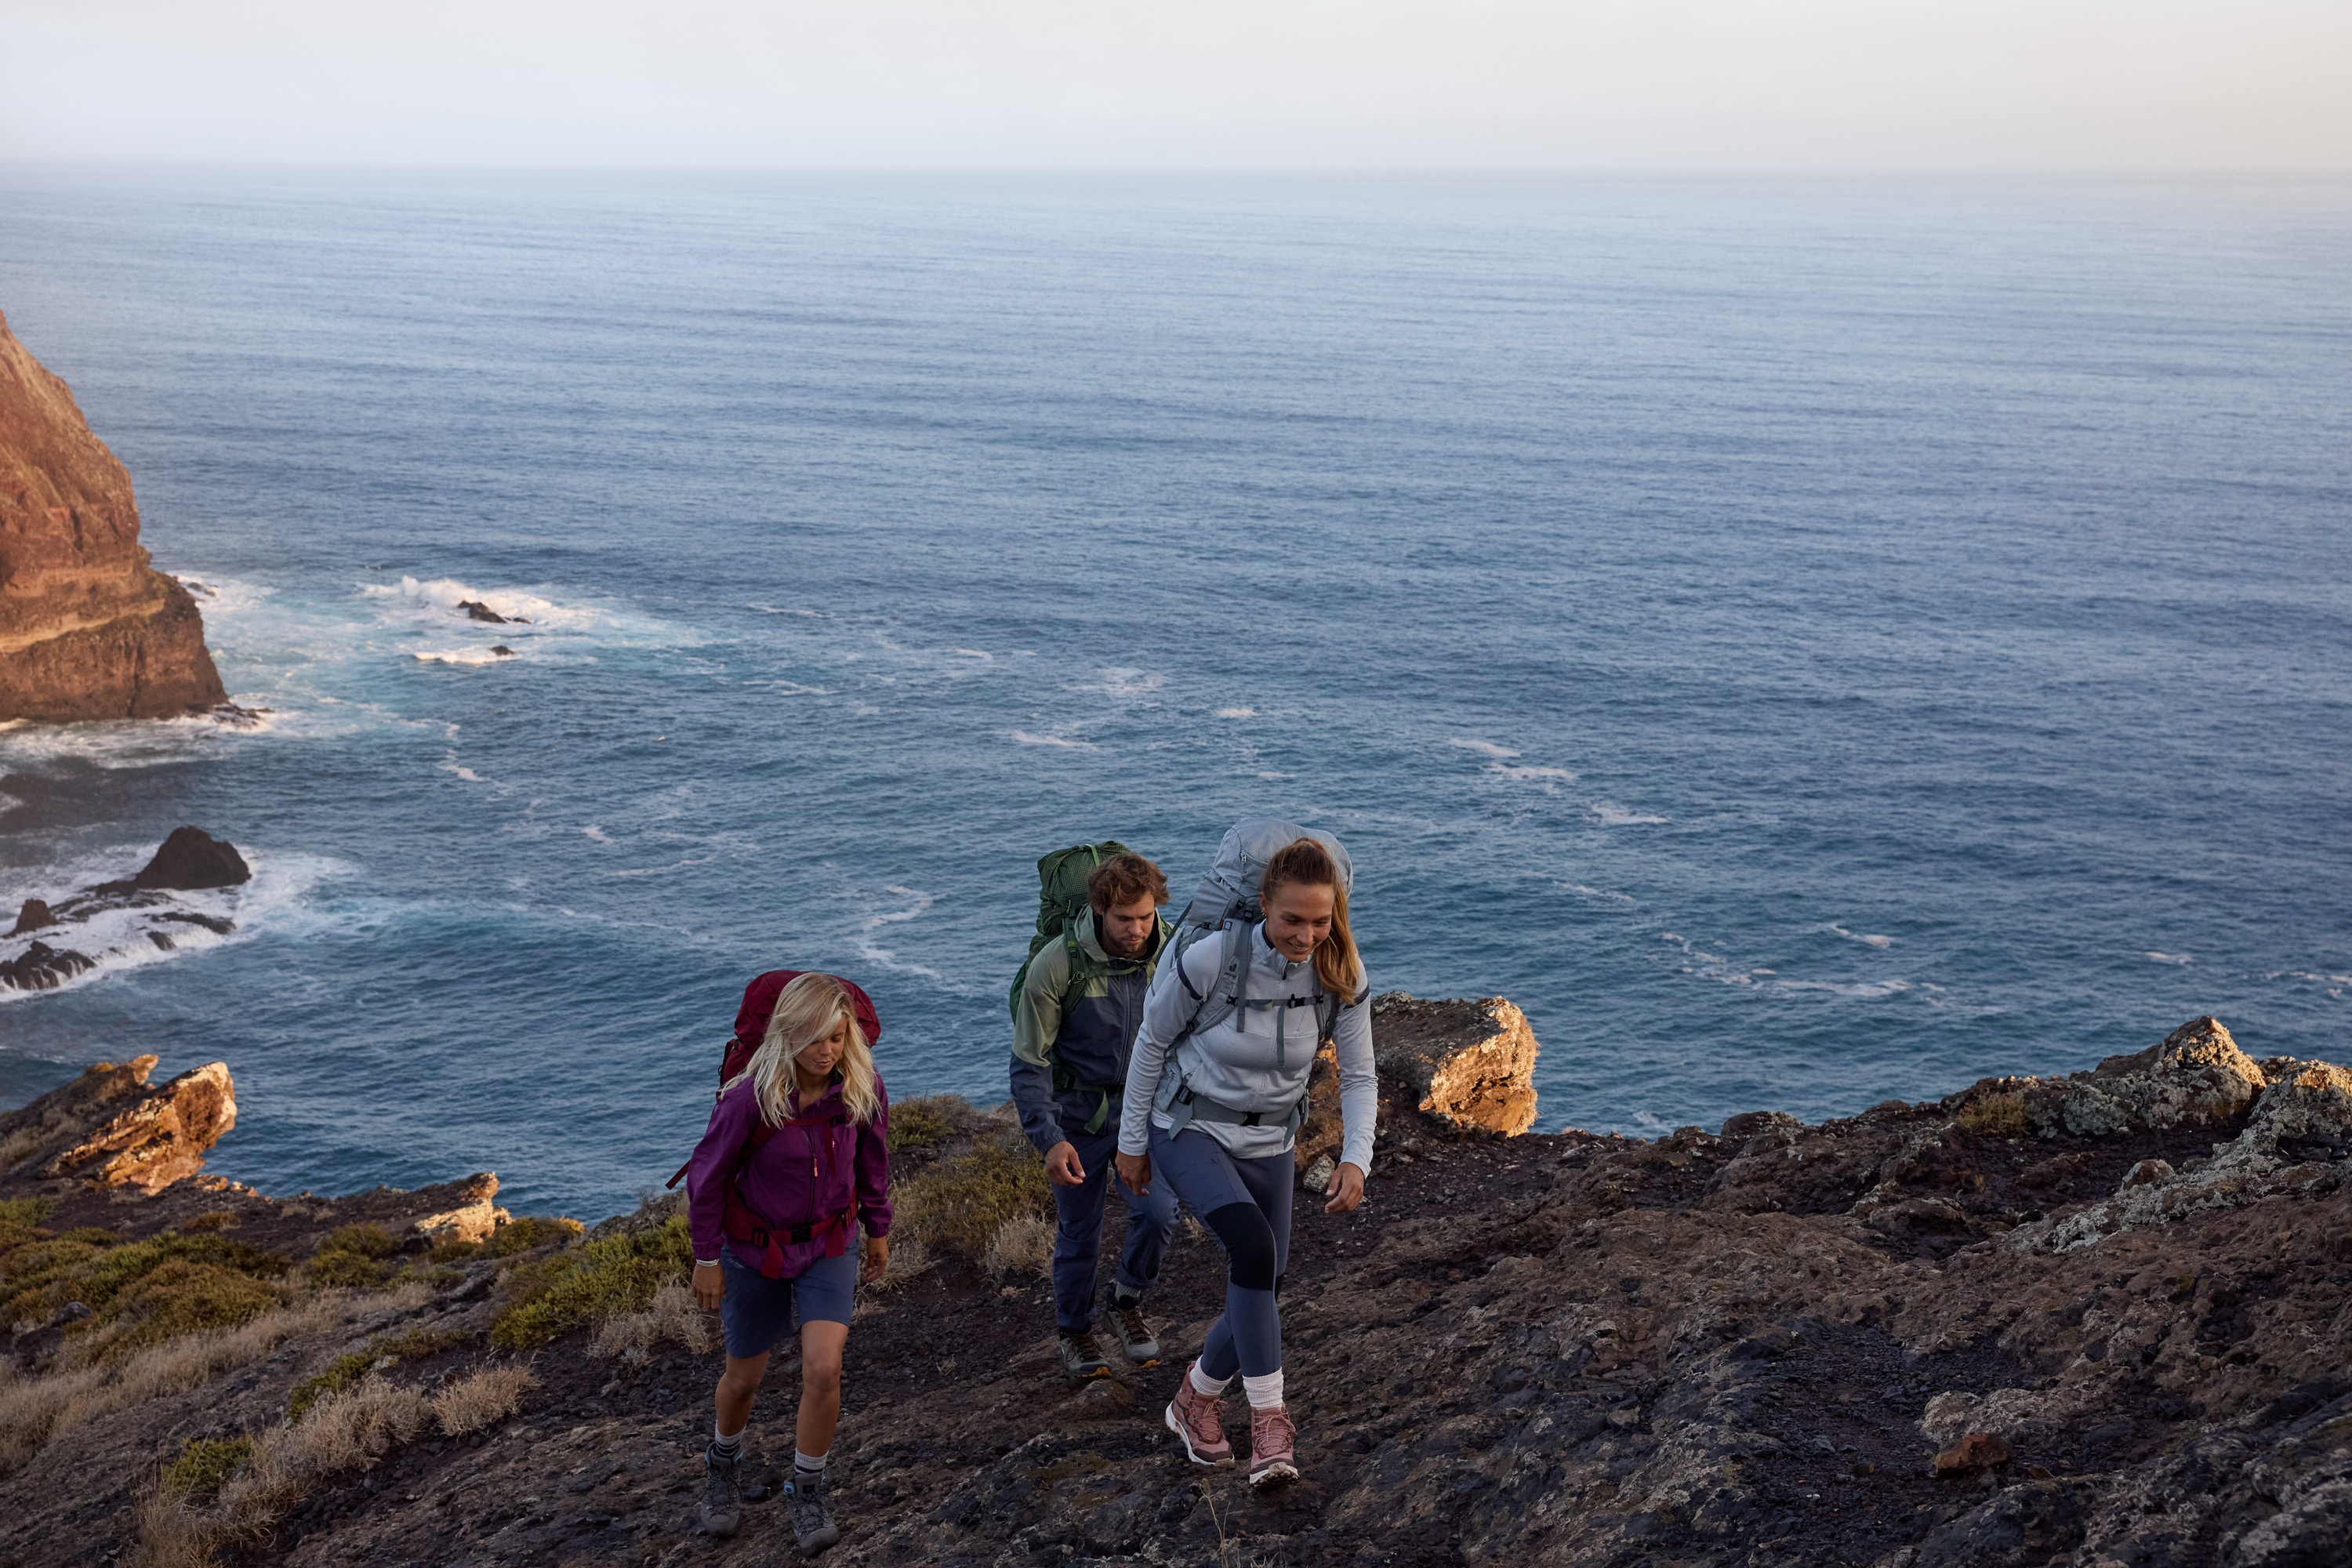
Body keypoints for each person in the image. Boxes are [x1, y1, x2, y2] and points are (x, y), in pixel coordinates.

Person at [1117, 837, 1374, 1487]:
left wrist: (1357, 1158)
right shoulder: (1213, 960)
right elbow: (1151, 1043)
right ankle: (1270, 1426)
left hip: (1272, 1143)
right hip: (1190, 1127)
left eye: (1320, 921)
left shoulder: (1341, 974)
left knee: (1264, 1286)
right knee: (1254, 1252)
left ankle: (1194, 1401)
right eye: (1292, 920)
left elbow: (1360, 1076)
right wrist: (1132, 1142)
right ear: (1263, 904)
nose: (1306, 936)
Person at [686, 971, 891, 1558]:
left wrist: (878, 1228)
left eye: (836, 1037)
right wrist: (706, 1258)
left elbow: (873, 1162)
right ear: (787, 1035)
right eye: (813, 1038)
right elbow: (707, 1179)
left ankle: (807, 1488)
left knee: (824, 1369)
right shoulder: (749, 1099)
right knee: (744, 1379)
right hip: (752, 1250)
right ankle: (723, 1461)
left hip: (829, 1244)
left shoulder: (862, 1087)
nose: (826, 1051)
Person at [1012, 851, 1183, 1377]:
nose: (1137, 930)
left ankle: (1126, 1300)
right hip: (1077, 1116)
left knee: (1159, 1214)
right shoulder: (1058, 965)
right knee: (1080, 1230)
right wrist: (1049, 1138)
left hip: (1144, 1110)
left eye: (1146, 917)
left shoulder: (1174, 952)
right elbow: (1029, 1063)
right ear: (1099, 910)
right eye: (1124, 919)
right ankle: (1075, 1331)